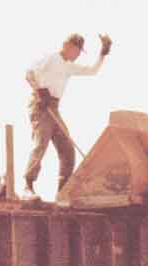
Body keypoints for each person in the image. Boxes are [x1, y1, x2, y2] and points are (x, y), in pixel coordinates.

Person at [22, 33, 112, 200]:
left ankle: (63, 192)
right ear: (68, 46)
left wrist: (103, 53)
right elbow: (29, 73)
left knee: (67, 149)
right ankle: (28, 186)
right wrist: (39, 90)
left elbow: (92, 71)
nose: (78, 55)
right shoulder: (50, 57)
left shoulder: (68, 66)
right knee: (41, 143)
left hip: (54, 106)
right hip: (40, 104)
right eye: (78, 51)